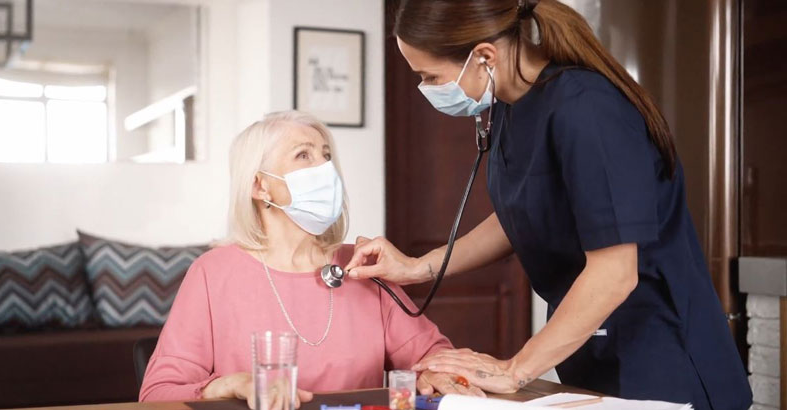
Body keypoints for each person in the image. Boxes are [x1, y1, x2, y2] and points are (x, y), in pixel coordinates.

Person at [343, 1, 752, 408]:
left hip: (663, 355)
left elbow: (615, 272)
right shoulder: (510, 106)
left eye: (430, 76)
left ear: (484, 56)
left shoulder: (587, 110)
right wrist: (419, 267)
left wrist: (515, 369)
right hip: (593, 352)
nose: (428, 89)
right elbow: (520, 213)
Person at [139, 111, 478, 407]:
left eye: (326, 155)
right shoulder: (212, 273)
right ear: (260, 187)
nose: (324, 168)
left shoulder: (361, 265)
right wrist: (230, 385)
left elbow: (432, 355)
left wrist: (434, 372)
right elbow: (158, 393)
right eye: (303, 155)